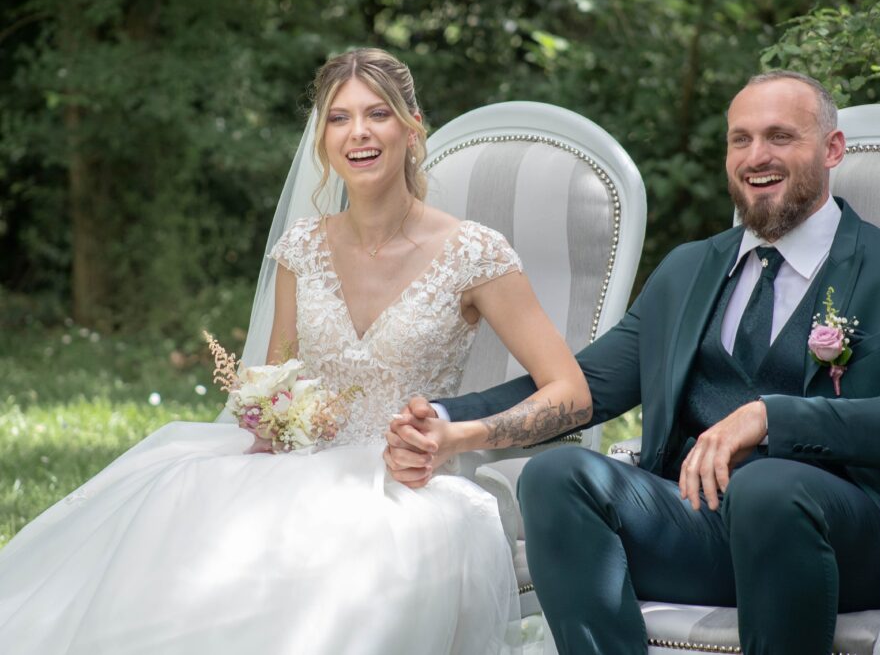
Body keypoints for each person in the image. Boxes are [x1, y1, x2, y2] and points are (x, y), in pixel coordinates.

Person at [0, 48, 591, 655]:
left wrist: (457, 436)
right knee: (180, 543)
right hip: (296, 469)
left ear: (413, 128)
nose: (358, 132)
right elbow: (276, 379)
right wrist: (270, 415)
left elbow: (571, 395)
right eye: (338, 118)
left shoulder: (475, 254)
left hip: (402, 487)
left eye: (377, 114)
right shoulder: (302, 247)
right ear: (321, 141)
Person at [384, 70, 880, 654]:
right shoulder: (687, 269)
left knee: (769, 486)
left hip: (854, 542)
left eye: (781, 136)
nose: (757, 156)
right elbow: (583, 386)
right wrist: (444, 419)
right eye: (741, 139)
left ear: (831, 149)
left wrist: (772, 417)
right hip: (698, 531)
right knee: (558, 476)